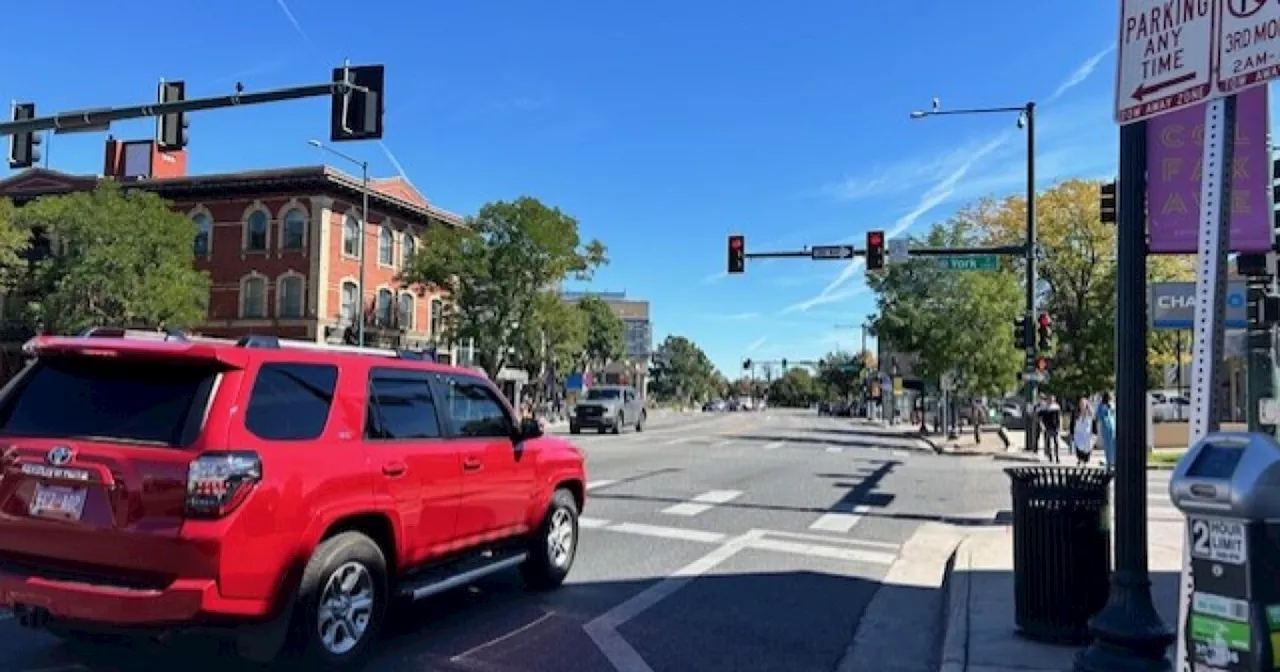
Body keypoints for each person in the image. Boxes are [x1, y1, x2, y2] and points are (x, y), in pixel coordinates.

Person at [1072, 397, 1095, 466]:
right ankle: (1079, 459)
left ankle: (1085, 461)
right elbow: (1072, 423)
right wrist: (1071, 432)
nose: (1082, 405)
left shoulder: (1090, 413)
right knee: (1078, 446)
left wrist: (1094, 434)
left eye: (1083, 404)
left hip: (1087, 433)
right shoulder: (1076, 413)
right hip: (1078, 432)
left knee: (1087, 448)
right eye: (1081, 404)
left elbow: (1094, 424)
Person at [1039, 395, 1062, 463]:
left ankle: (1057, 456)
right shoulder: (1044, 408)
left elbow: (1058, 418)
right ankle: (1050, 456)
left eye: (1052, 400)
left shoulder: (1056, 407)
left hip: (1055, 427)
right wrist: (1042, 425)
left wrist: (1059, 426)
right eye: (1050, 400)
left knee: (1056, 442)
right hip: (1047, 427)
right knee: (1048, 442)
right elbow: (1040, 417)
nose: (1051, 401)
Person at [1097, 392, 1116, 468]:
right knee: (1107, 446)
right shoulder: (1101, 406)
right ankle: (1109, 463)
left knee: (1113, 445)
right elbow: (1098, 416)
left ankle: (1112, 462)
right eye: (1109, 397)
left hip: (1112, 426)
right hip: (1106, 427)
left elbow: (1114, 414)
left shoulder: (1112, 405)